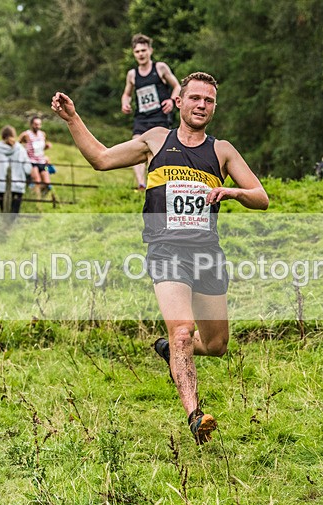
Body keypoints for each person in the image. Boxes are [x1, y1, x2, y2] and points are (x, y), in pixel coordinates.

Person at [53, 72, 269, 444]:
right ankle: (195, 415)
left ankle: (170, 351)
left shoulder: (223, 151)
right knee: (183, 331)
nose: (202, 105)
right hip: (166, 250)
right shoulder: (156, 140)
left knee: (216, 345)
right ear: (180, 101)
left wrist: (231, 192)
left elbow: (261, 197)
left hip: (207, 254)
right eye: (196, 98)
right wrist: (73, 119)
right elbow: (102, 160)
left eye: (210, 101)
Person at [121, 34, 181, 191]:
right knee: (136, 147)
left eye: (143, 50)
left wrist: (172, 101)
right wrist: (125, 103)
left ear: (150, 51)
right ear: (134, 54)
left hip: (160, 117)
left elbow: (177, 87)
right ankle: (141, 184)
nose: (140, 54)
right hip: (141, 118)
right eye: (137, 51)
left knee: (159, 152)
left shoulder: (160, 68)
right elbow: (127, 93)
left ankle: (158, 184)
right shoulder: (132, 74)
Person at [0, 125, 32, 214]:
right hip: (18, 185)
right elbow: (28, 168)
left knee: (4, 211)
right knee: (14, 212)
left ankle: (5, 226)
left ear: (2, 135)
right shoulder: (20, 149)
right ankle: (11, 227)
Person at [18, 116, 54, 198]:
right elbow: (18, 145)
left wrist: (46, 147)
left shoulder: (42, 134)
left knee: (47, 183)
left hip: (42, 162)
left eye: (39, 124)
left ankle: (40, 195)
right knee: (37, 181)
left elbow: (40, 149)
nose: (38, 126)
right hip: (32, 162)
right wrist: (24, 152)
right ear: (31, 124)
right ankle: (37, 201)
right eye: (36, 124)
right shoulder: (26, 134)